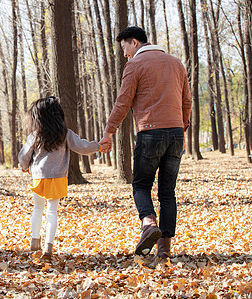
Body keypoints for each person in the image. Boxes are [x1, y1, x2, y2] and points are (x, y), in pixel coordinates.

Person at [100, 26, 192, 258]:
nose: (124, 53)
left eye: (124, 47)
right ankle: (164, 249)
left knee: (141, 185)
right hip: (176, 134)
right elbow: (187, 101)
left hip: (150, 132)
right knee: (167, 193)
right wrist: (182, 127)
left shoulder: (135, 65)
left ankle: (149, 223)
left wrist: (109, 131)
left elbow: (123, 102)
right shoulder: (176, 63)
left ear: (134, 42)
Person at [18, 96, 103, 259]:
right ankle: (48, 248)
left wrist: (25, 167)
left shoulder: (35, 135)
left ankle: (34, 243)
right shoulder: (65, 134)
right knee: (52, 212)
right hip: (58, 177)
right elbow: (82, 146)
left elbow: (24, 155)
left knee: (37, 208)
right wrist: (98, 146)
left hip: (39, 177)